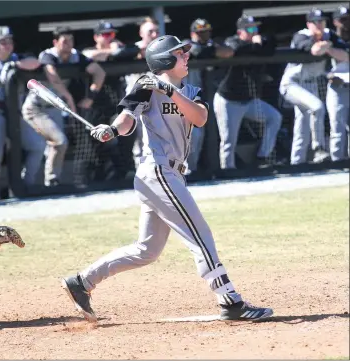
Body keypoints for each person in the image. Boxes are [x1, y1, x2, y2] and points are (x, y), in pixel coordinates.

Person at [61, 35, 273, 323]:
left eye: (185, 52)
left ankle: (82, 282)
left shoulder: (191, 89)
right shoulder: (146, 84)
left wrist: (170, 90)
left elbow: (199, 118)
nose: (186, 56)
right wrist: (110, 129)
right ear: (164, 60)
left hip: (171, 174)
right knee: (200, 236)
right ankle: (230, 300)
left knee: (147, 250)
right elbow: (126, 121)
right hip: (157, 171)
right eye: (180, 53)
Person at [21, 26, 105, 187]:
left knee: (56, 145)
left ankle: (51, 183)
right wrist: (68, 97)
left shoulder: (75, 56)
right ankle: (26, 187)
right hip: (35, 109)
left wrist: (90, 97)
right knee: (43, 147)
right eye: (64, 41)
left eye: (71, 40)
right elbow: (53, 77)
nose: (68, 44)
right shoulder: (48, 55)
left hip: (55, 110)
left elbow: (99, 72)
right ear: (56, 42)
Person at [0, 26, 44, 202]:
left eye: (10, 41)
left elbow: (36, 62)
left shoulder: (17, 59)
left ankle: (25, 185)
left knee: (38, 146)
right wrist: (5, 106)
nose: (8, 45)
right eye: (3, 42)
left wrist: (16, 65)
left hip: (18, 115)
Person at [213, 15, 283, 170]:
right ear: (240, 32)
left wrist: (259, 44)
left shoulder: (258, 44)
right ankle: (228, 172)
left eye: (255, 28)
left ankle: (262, 156)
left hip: (248, 101)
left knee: (274, 117)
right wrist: (257, 45)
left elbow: (270, 48)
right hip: (228, 101)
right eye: (250, 29)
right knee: (228, 141)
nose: (254, 32)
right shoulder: (233, 41)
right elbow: (237, 50)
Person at [279, 8, 342, 165]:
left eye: (322, 21)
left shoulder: (329, 34)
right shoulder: (302, 35)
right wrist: (328, 46)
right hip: (292, 83)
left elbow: (343, 53)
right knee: (317, 107)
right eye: (316, 22)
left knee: (302, 127)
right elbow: (315, 50)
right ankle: (319, 148)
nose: (320, 25)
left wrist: (327, 46)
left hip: (311, 84)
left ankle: (296, 163)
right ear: (309, 24)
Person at [82, 21, 136, 181]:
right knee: (94, 144)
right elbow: (87, 55)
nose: (110, 38)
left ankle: (124, 173)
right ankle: (95, 178)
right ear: (96, 37)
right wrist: (111, 51)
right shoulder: (89, 52)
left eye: (112, 35)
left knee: (123, 136)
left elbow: (132, 51)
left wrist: (116, 51)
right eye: (106, 35)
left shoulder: (119, 51)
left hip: (116, 104)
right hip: (94, 105)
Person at [185, 18, 234, 176]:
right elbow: (195, 51)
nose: (203, 36)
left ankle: (206, 169)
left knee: (212, 134)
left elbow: (228, 51)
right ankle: (191, 171)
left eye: (206, 32)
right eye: (200, 33)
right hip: (187, 97)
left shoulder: (212, 44)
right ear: (193, 33)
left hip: (209, 96)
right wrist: (212, 51)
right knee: (195, 135)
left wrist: (212, 49)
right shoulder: (185, 44)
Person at [124, 17, 160, 169]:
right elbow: (117, 53)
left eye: (156, 31)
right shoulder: (131, 49)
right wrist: (140, 51)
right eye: (150, 31)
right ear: (141, 33)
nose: (154, 34)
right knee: (139, 139)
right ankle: (141, 172)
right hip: (136, 101)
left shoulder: (163, 49)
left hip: (158, 100)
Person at [326, 6, 350, 161]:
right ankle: (336, 163)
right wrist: (327, 74)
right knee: (337, 128)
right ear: (335, 22)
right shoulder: (330, 38)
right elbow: (321, 67)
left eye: (348, 19)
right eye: (342, 20)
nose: (346, 23)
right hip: (337, 88)